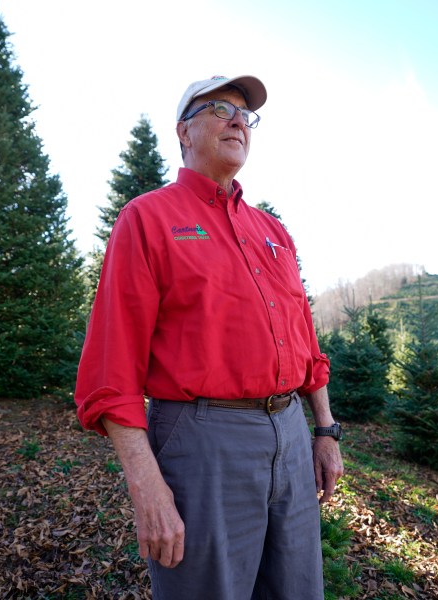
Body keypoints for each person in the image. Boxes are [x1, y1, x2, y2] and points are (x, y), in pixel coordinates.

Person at [75, 74, 344, 600]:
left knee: (298, 590)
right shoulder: (147, 219)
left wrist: (325, 431)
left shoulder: (272, 231)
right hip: (203, 440)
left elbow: (305, 341)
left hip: (290, 434)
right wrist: (146, 487)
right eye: (221, 108)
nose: (238, 120)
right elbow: (112, 370)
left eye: (246, 114)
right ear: (184, 131)